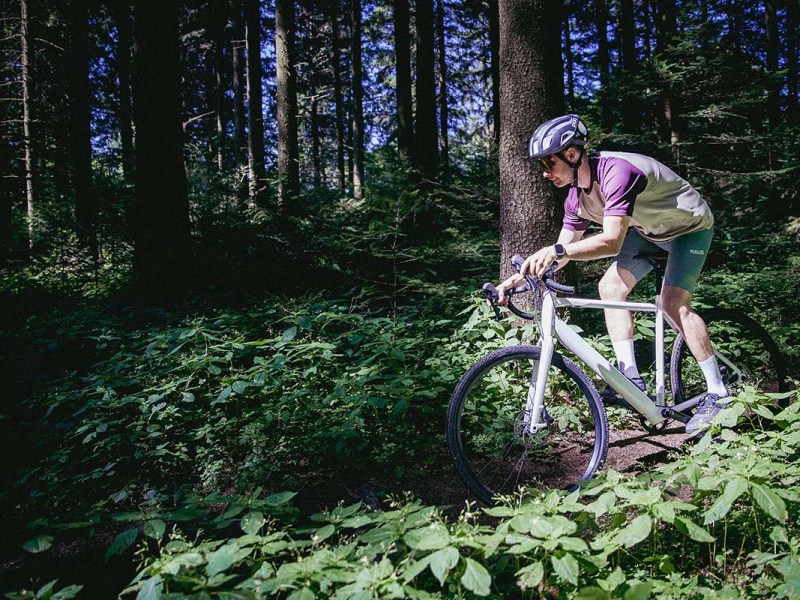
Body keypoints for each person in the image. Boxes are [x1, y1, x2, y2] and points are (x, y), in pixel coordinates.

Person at [495, 114, 727, 437]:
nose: (545, 173)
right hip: (650, 232)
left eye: (549, 163)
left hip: (690, 226)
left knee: (672, 302)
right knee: (610, 287)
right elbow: (559, 252)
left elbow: (612, 241)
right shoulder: (575, 199)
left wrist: (558, 252)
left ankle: (719, 393)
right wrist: (514, 281)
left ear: (572, 155)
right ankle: (629, 380)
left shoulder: (617, 172)